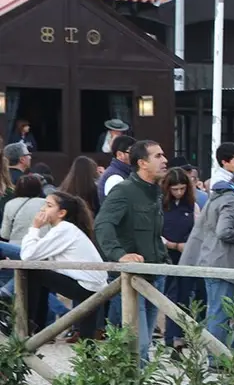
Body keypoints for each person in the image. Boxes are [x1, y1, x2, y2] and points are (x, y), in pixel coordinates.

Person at [93, 140, 169, 361]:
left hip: (155, 275)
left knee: (139, 346)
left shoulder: (154, 191)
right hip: (131, 279)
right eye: (158, 156)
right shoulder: (124, 190)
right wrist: (118, 254)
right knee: (139, 347)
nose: (165, 160)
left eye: (163, 155)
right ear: (142, 163)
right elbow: (102, 224)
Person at [182, 173, 234, 347]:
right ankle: (216, 358)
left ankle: (218, 355)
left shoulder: (221, 195)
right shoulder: (233, 201)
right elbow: (223, 231)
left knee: (216, 310)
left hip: (211, 259)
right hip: (222, 263)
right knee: (220, 312)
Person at [17, 193, 106, 336]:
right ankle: (35, 327)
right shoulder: (67, 229)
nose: (43, 209)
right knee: (86, 338)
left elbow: (27, 255)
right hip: (96, 287)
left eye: (49, 205)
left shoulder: (64, 229)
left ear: (62, 213)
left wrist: (34, 228)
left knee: (32, 271)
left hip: (86, 286)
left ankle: (29, 322)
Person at [159, 168, 201, 349]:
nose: (179, 193)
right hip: (166, 254)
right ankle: (170, 336)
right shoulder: (159, 204)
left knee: (185, 295)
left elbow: (198, 229)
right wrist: (173, 245)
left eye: (182, 189)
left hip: (187, 255)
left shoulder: (192, 205)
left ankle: (181, 334)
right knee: (171, 295)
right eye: (175, 189)